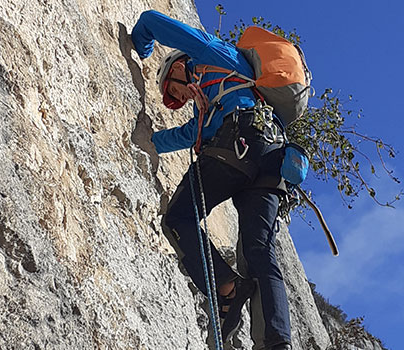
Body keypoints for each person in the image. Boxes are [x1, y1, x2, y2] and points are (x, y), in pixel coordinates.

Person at [131, 10, 292, 350]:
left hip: (237, 149)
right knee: (260, 250)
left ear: (176, 68)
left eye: (172, 93)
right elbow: (190, 134)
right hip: (273, 159)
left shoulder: (211, 52)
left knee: (178, 218)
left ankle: (227, 289)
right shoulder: (226, 90)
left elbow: (150, 21)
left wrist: (140, 47)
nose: (180, 99)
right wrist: (149, 141)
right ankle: (278, 342)